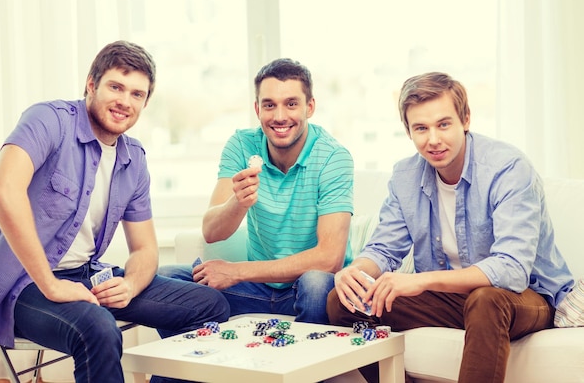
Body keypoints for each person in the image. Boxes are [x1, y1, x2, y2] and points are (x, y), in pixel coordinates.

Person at [0, 41, 230, 383]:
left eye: (137, 94)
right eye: (116, 87)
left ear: (145, 102)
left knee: (210, 306)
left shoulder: (133, 159)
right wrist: (52, 285)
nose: (125, 101)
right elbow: (3, 191)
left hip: (86, 276)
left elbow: (145, 248)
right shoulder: (48, 120)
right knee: (100, 329)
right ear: (91, 84)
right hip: (23, 286)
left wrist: (131, 285)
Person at [327, 72, 574, 383]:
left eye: (443, 124)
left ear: (465, 119)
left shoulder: (507, 168)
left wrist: (421, 281)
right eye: (421, 128)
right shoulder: (405, 177)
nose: (433, 139)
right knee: (342, 302)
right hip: (454, 301)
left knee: (485, 300)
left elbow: (511, 269)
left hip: (524, 298)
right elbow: (383, 249)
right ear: (408, 131)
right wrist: (357, 271)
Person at [159, 58, 354, 324]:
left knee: (316, 283)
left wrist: (237, 272)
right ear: (257, 108)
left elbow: (329, 259)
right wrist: (238, 203)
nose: (280, 116)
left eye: (291, 104)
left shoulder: (333, 157)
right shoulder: (241, 145)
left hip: (306, 290)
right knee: (168, 279)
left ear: (310, 107)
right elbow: (212, 232)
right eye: (269, 105)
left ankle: (301, 364)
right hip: (256, 290)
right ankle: (209, 361)